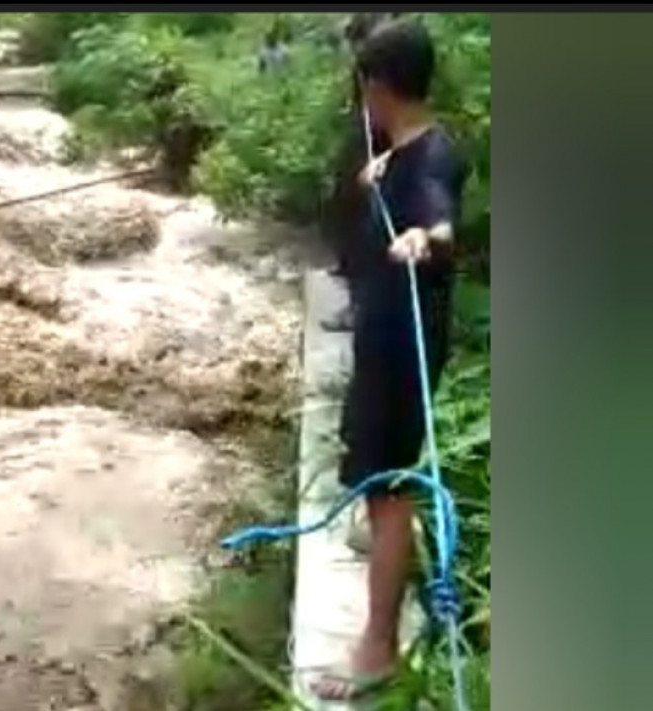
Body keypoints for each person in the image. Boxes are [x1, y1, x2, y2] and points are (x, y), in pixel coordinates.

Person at [312, 18, 470, 702]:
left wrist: (421, 239)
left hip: (399, 352)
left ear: (377, 86)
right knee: (379, 481)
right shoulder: (416, 148)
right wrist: (379, 173)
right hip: (390, 346)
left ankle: (376, 647)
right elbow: (416, 175)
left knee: (388, 492)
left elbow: (437, 221)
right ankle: (379, 548)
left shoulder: (427, 162)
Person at [319, 13, 401, 332]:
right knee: (342, 204)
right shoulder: (372, 27)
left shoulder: (388, 35)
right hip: (367, 128)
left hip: (380, 135)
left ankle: (359, 305)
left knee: (360, 216)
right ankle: (349, 272)